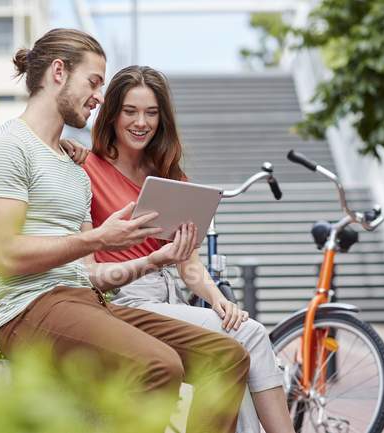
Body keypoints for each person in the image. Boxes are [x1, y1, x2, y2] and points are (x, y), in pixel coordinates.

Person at [0, 28, 250, 433]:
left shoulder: (72, 170)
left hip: (88, 302)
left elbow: (93, 274)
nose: (100, 97)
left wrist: (155, 259)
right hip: (28, 311)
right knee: (160, 365)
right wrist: (100, 237)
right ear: (59, 72)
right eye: (94, 82)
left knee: (227, 356)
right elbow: (6, 256)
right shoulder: (5, 148)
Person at [65, 65, 295, 433]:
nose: (141, 122)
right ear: (111, 115)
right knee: (249, 335)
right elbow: (88, 272)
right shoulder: (84, 169)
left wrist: (219, 300)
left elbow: (188, 264)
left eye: (152, 113)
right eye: (131, 111)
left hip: (171, 299)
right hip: (123, 300)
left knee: (240, 347)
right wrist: (154, 260)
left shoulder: (171, 178)